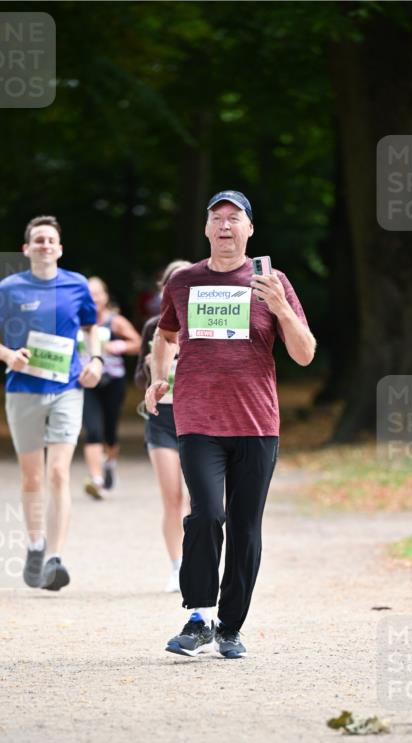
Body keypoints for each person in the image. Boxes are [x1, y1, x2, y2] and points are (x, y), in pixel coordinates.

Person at [145, 190, 316, 657]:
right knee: (207, 514)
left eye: (234, 218)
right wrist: (159, 378)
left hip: (257, 423)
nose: (225, 226)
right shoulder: (183, 282)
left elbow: (304, 353)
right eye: (216, 218)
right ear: (205, 229)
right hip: (198, 419)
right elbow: (164, 336)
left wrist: (280, 307)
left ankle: (230, 627)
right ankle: (198, 615)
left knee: (245, 526)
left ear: (250, 229)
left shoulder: (272, 281)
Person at [0, 215, 103, 590]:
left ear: (60, 249)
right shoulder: (10, 288)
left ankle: (55, 559)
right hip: (23, 389)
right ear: (26, 249)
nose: (45, 245)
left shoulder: (77, 284)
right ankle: (35, 543)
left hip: (66, 387)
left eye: (51, 240)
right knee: (32, 475)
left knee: (59, 471)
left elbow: (92, 328)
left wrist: (94, 360)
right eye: (38, 240)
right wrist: (8, 355)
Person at [134, 260, 192, 592]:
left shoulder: (205, 324)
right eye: (172, 284)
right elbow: (139, 379)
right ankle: (176, 567)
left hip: (198, 417)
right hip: (162, 420)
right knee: (171, 497)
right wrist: (149, 370)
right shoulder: (154, 326)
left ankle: (199, 564)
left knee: (197, 501)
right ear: (164, 289)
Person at [81, 276, 141, 500]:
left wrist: (119, 345)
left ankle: (109, 463)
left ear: (105, 297)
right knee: (93, 430)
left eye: (98, 293)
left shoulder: (115, 321)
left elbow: (138, 343)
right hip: (87, 382)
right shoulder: (77, 320)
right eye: (89, 293)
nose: (94, 298)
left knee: (110, 434)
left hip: (113, 383)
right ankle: (96, 480)